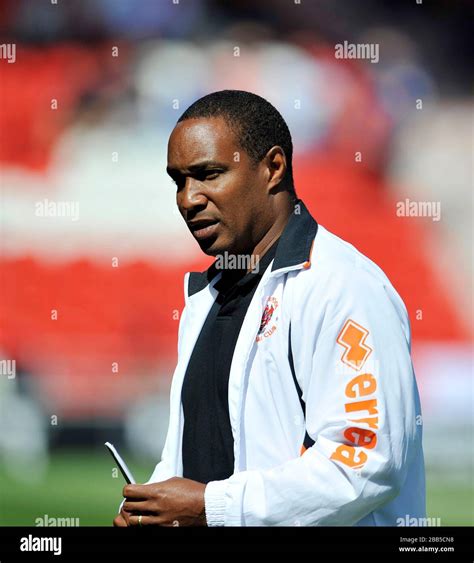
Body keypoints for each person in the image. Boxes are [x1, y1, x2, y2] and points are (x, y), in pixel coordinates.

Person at [113, 90, 425, 527]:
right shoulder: (205, 299)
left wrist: (211, 507)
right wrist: (152, 507)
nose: (188, 198)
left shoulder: (341, 286)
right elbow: (190, 460)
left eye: (208, 174)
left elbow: (366, 462)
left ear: (273, 168)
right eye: (179, 181)